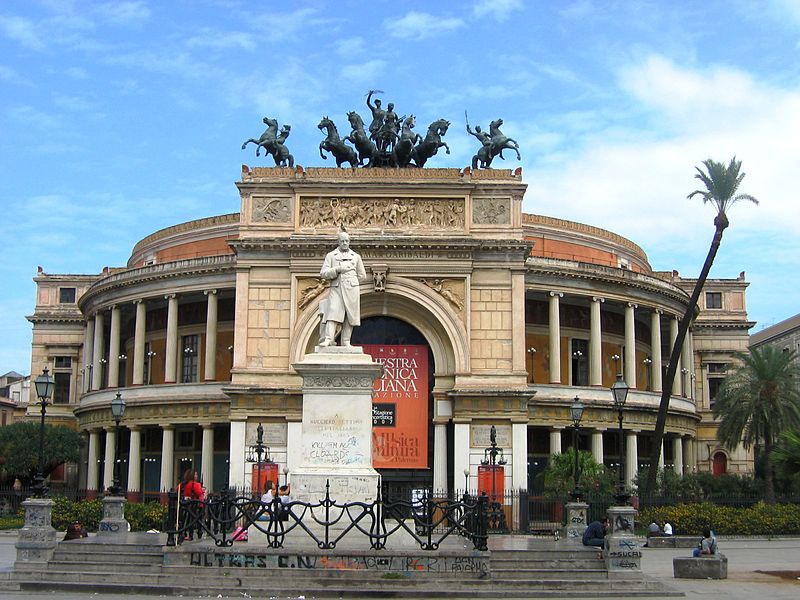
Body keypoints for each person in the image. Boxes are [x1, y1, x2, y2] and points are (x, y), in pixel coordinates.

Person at [318, 228, 367, 347]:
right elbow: (323, 273)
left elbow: (362, 275)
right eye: (342, 241)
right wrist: (337, 270)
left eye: (347, 241)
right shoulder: (331, 256)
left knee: (350, 315)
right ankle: (329, 339)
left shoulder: (356, 257)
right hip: (337, 287)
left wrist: (351, 281)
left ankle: (346, 341)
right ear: (338, 242)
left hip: (351, 289)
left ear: (349, 242)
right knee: (333, 312)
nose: (345, 243)